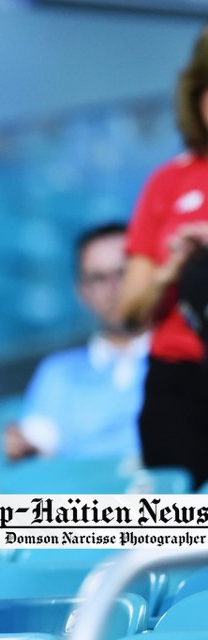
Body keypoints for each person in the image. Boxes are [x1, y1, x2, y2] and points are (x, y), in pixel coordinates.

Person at [117, 26, 208, 491]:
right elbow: (128, 311)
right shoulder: (167, 182)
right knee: (175, 533)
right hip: (179, 383)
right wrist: (171, 268)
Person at [3, 223, 149, 462]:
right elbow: (39, 439)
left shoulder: (190, 357)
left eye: (123, 272)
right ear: (82, 291)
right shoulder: (57, 373)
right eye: (98, 278)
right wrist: (23, 445)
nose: (113, 288)